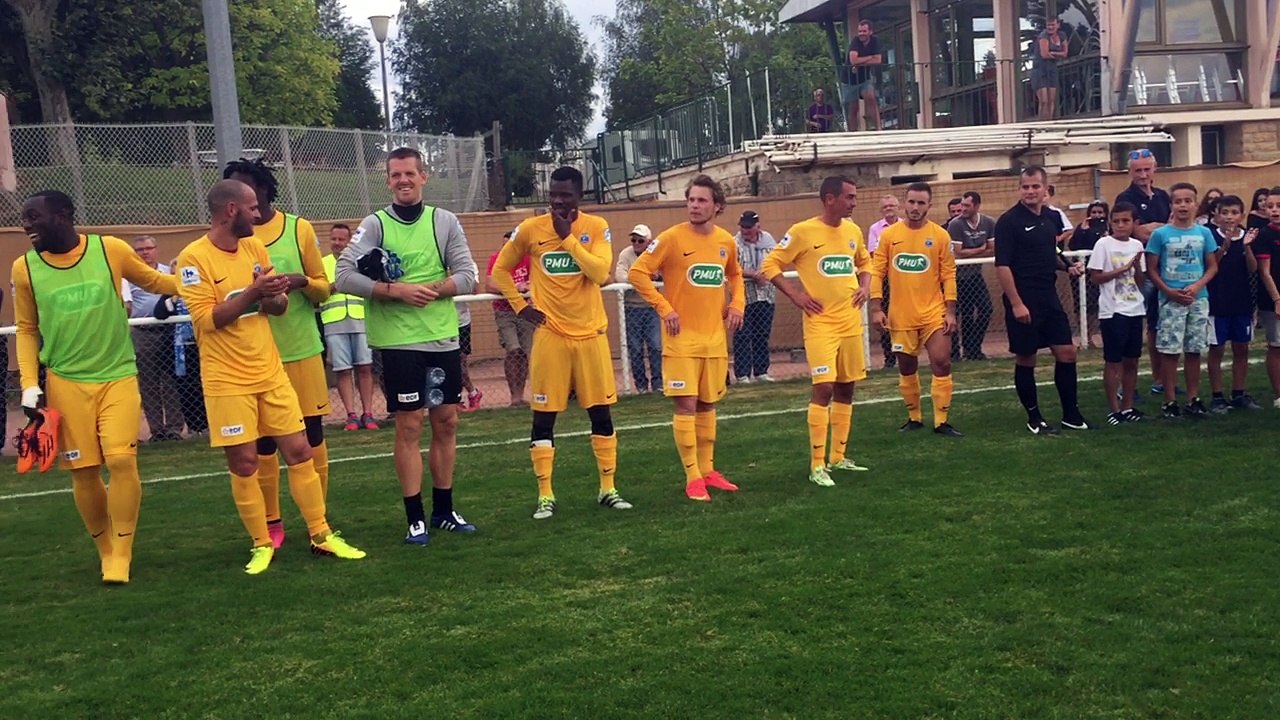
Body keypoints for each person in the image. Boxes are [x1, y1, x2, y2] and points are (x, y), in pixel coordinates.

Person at [177, 180, 366, 574]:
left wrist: (275, 294)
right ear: (230, 210)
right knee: (246, 463)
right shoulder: (192, 259)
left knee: (300, 451)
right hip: (226, 379)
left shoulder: (253, 247)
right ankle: (261, 542)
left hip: (269, 369)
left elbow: (275, 309)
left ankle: (321, 534)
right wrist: (252, 293)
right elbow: (207, 320)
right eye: (251, 208)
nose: (259, 214)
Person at [13, 190, 178, 584]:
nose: (27, 225)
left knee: (120, 460)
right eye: (25, 219)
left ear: (64, 215)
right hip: (65, 381)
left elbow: (155, 281)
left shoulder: (110, 250)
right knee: (85, 472)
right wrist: (29, 386)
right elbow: (26, 329)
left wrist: (206, 284)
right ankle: (105, 550)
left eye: (34, 216)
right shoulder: (25, 268)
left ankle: (122, 550)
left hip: (117, 374)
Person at [335, 147, 479, 544]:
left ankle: (444, 511)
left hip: (441, 337)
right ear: (388, 180)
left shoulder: (444, 221)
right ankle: (415, 516)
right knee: (410, 424)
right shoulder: (375, 224)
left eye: (409, 174)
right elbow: (343, 274)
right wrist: (392, 290)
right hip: (398, 341)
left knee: (447, 421)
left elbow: (468, 275)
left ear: (424, 176)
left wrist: (435, 290)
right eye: (395, 175)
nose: (403, 180)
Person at [492, 166, 631, 519]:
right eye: (553, 194)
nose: (557, 200)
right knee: (543, 418)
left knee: (600, 414)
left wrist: (568, 237)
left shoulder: (596, 228)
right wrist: (521, 306)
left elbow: (601, 274)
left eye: (565, 194)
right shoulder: (529, 229)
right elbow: (499, 271)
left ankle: (608, 488)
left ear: (578, 196)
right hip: (551, 337)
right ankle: (545, 495)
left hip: (590, 336)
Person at [223, 159, 333, 551]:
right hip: (252, 360)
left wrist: (299, 281)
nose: (239, 201)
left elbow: (324, 288)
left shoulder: (297, 228)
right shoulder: (227, 239)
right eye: (231, 191)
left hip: (300, 349)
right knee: (264, 446)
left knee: (311, 437)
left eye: (245, 190)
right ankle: (272, 522)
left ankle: (318, 525)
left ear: (263, 191)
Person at [629, 175, 745, 502]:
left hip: (714, 340)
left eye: (702, 200)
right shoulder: (671, 238)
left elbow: (735, 274)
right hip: (680, 340)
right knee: (687, 405)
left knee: (708, 404)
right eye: (691, 200)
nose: (694, 206)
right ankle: (692, 475)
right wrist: (665, 309)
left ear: (717, 206)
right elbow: (638, 273)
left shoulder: (726, 241)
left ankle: (709, 471)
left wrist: (737, 303)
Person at [762, 176, 873, 486]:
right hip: (821, 323)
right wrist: (796, 295)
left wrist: (864, 286)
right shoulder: (802, 231)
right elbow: (770, 265)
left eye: (854, 196)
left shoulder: (852, 230)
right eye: (849, 197)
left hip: (851, 321)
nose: (854, 202)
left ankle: (838, 457)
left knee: (846, 387)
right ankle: (816, 465)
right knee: (823, 387)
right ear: (830, 199)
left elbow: (865, 262)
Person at [995, 166, 1090, 435]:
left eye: (1035, 186)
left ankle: (1071, 415)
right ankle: (1034, 418)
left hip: (1049, 298)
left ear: (1045, 190)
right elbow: (1002, 265)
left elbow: (1051, 251)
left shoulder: (1050, 219)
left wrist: (1067, 267)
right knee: (1027, 359)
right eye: (1025, 186)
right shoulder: (1009, 221)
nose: (1030, 191)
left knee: (1067, 352)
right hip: (1023, 300)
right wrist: (1016, 303)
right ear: (1019, 189)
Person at [871, 182, 962, 437]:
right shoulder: (889, 236)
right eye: (911, 202)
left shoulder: (940, 236)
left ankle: (941, 422)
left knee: (942, 362)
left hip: (934, 313)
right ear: (905, 203)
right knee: (906, 367)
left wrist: (950, 311)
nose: (915, 207)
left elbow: (949, 275)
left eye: (921, 203)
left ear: (929, 206)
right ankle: (914, 418)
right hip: (901, 315)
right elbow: (877, 272)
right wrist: (877, 308)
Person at [1145, 182, 1219, 418]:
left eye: (1188, 201)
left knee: (1194, 349)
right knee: (1170, 351)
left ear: (1196, 204)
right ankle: (1169, 400)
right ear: (1172, 205)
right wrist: (1169, 291)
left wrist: (1197, 286)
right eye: (1178, 201)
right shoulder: (1161, 234)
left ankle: (1193, 398)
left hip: (1198, 299)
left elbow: (1212, 266)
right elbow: (1152, 269)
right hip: (1171, 300)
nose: (1183, 205)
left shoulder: (1204, 233)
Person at [1087, 202, 1147, 425]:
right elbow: (1096, 277)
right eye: (1116, 221)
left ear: (1134, 223)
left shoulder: (1137, 245)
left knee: (1132, 360)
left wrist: (1137, 269)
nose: (1121, 226)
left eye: (1126, 221)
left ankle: (1128, 405)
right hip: (1113, 311)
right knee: (1113, 361)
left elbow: (1140, 280)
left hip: (1134, 307)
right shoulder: (1104, 244)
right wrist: (1121, 270)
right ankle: (1114, 409)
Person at [1204, 195, 1261, 412]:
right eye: (1224, 212)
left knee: (1241, 348)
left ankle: (1238, 393)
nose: (1229, 217)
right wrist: (1225, 245)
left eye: (1234, 213)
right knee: (1217, 349)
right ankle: (1217, 396)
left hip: (1241, 302)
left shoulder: (1248, 236)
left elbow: (1253, 268)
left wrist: (1246, 247)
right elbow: (1212, 266)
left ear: (1241, 215)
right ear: (1216, 215)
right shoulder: (1210, 236)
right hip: (1217, 303)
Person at [125, 235, 185, 441]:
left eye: (149, 248)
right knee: (149, 382)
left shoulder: (168, 272)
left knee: (171, 380)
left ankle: (174, 428)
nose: (145, 252)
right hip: (143, 332)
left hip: (169, 330)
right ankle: (156, 430)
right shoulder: (129, 276)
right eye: (140, 250)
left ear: (156, 249)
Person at [320, 223, 378, 431]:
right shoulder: (320, 264)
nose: (337, 243)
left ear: (349, 241)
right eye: (334, 239)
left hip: (360, 319)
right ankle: (351, 415)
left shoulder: (360, 262)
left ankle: (368, 414)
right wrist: (337, 284)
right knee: (343, 370)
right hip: (334, 322)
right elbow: (319, 292)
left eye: (341, 240)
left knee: (364, 367)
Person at [153, 263, 209, 436]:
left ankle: (208, 423)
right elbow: (160, 313)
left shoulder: (201, 289)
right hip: (181, 351)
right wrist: (174, 296)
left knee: (205, 385)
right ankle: (193, 426)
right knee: (186, 388)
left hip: (204, 345)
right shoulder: (170, 294)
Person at [486, 231, 535, 406]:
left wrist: (527, 287)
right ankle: (514, 395)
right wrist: (515, 287)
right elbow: (490, 285)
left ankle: (520, 396)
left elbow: (536, 281)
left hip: (526, 310)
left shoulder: (528, 259)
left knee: (526, 353)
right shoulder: (496, 259)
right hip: (505, 311)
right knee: (513, 350)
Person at [946, 191, 995, 361]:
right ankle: (956, 353)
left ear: (976, 206)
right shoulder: (955, 225)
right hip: (956, 276)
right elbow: (958, 253)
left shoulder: (988, 222)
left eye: (967, 205)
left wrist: (972, 252)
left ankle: (973, 347)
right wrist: (980, 250)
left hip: (975, 275)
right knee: (961, 314)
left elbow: (993, 248)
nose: (963, 209)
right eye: (962, 205)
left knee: (986, 308)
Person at [615, 224, 663, 393]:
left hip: (652, 307)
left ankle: (658, 383)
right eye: (633, 239)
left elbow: (663, 274)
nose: (636, 242)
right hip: (631, 307)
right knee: (635, 348)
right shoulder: (625, 254)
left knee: (656, 346)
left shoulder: (655, 254)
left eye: (640, 240)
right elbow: (620, 276)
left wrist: (653, 276)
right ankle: (641, 385)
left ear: (648, 242)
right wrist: (644, 278)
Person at [733, 210, 777, 383]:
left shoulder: (768, 240)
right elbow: (731, 267)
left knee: (762, 333)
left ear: (758, 226)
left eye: (749, 227)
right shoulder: (733, 243)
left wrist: (764, 274)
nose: (745, 230)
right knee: (742, 335)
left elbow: (776, 260)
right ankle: (743, 374)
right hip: (743, 296)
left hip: (766, 294)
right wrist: (752, 274)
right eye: (743, 226)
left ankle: (761, 372)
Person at [1252, 187, 1280, 408]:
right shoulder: (1265, 235)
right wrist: (1277, 299)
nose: (1274, 210)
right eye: (1270, 206)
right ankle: (1279, 394)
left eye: (1279, 206)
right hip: (1273, 300)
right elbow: (1264, 272)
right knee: (1276, 345)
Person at [1068, 200, 1108, 340]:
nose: (1097, 215)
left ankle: (1098, 334)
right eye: (1094, 212)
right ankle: (1086, 337)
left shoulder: (1108, 227)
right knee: (1081, 305)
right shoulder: (1082, 227)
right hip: (1082, 270)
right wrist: (1082, 231)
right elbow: (1073, 245)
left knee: (1097, 305)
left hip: (1100, 271)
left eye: (1100, 212)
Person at [868, 194, 900, 368]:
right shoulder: (875, 229)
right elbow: (874, 253)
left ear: (898, 207)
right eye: (885, 206)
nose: (889, 208)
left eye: (891, 206)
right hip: (885, 279)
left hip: (904, 278)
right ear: (881, 210)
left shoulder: (906, 225)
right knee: (885, 317)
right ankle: (890, 358)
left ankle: (907, 354)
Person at [845, 20, 882, 131]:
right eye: (859, 31)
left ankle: (878, 128)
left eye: (864, 31)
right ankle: (853, 134)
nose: (861, 33)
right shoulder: (855, 41)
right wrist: (870, 57)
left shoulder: (875, 41)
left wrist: (860, 63)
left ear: (870, 32)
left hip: (864, 78)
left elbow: (878, 60)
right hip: (849, 79)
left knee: (870, 98)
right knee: (853, 107)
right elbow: (853, 60)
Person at [1033, 18, 1068, 120]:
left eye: (1053, 25)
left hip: (1052, 69)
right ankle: (1042, 123)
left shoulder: (1062, 35)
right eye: (1048, 25)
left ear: (1058, 25)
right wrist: (1058, 54)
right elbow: (1044, 54)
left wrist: (1052, 53)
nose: (1050, 27)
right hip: (1040, 69)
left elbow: (1065, 53)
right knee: (1044, 101)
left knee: (1051, 99)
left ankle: (1049, 121)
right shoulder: (1043, 36)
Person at [456, 301, 482, 411]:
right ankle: (456, 399)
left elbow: (475, 289)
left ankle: (473, 393)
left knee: (459, 363)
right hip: (438, 325)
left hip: (461, 323)